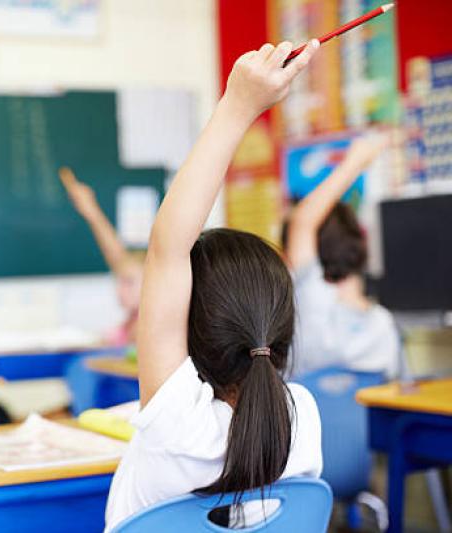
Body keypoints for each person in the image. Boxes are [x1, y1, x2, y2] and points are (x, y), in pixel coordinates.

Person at [105, 40, 323, 531]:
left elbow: (167, 248)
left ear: (188, 323)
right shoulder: (303, 419)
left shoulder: (177, 426)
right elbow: (169, 251)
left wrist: (238, 105)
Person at [285, 133, 401, 378]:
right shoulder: (384, 326)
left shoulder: (310, 299)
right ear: (358, 243)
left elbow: (303, 221)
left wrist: (353, 163)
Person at [59, 167, 142, 345]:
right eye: (118, 281)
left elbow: (117, 256)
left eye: (128, 282)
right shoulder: (130, 322)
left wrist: (92, 211)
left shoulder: (148, 325)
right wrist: (90, 210)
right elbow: (117, 257)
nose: (119, 290)